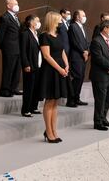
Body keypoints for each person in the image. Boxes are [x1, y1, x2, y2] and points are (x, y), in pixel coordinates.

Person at [39, 11, 69, 143]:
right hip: (51, 71)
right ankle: (48, 131)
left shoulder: (58, 35)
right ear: (52, 20)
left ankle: (53, 130)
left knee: (55, 102)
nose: (61, 21)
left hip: (61, 69)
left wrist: (67, 66)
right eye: (59, 19)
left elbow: (62, 51)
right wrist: (60, 69)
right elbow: (46, 56)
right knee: (49, 101)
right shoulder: (44, 36)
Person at [89, 21, 109, 131]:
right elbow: (98, 58)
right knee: (100, 100)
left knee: (108, 98)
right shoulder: (96, 41)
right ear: (105, 29)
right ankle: (97, 122)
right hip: (100, 75)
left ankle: (103, 118)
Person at [0, 0, 22, 97]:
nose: (17, 5)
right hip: (9, 48)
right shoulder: (4, 17)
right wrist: (3, 47)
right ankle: (5, 90)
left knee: (16, 69)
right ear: (8, 5)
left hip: (18, 48)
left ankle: (14, 88)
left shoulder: (16, 17)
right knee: (8, 69)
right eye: (14, 4)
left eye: (17, 3)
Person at [20, 15, 42, 117]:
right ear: (31, 22)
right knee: (29, 88)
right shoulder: (25, 34)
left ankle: (34, 107)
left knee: (36, 87)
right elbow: (23, 51)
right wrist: (26, 64)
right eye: (37, 21)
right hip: (30, 65)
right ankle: (26, 109)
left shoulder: (36, 34)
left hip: (38, 65)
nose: (39, 23)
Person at [68, 10, 89, 106]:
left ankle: (77, 97)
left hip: (83, 56)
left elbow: (85, 41)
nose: (85, 17)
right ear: (77, 16)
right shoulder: (73, 26)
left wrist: (87, 51)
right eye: (83, 15)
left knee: (81, 78)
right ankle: (71, 100)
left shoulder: (82, 27)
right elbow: (75, 42)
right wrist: (83, 51)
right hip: (76, 56)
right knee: (76, 77)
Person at [59, 9, 76, 107]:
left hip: (69, 53)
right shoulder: (60, 24)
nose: (69, 15)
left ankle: (71, 97)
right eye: (68, 13)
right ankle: (70, 97)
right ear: (62, 14)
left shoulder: (69, 24)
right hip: (62, 52)